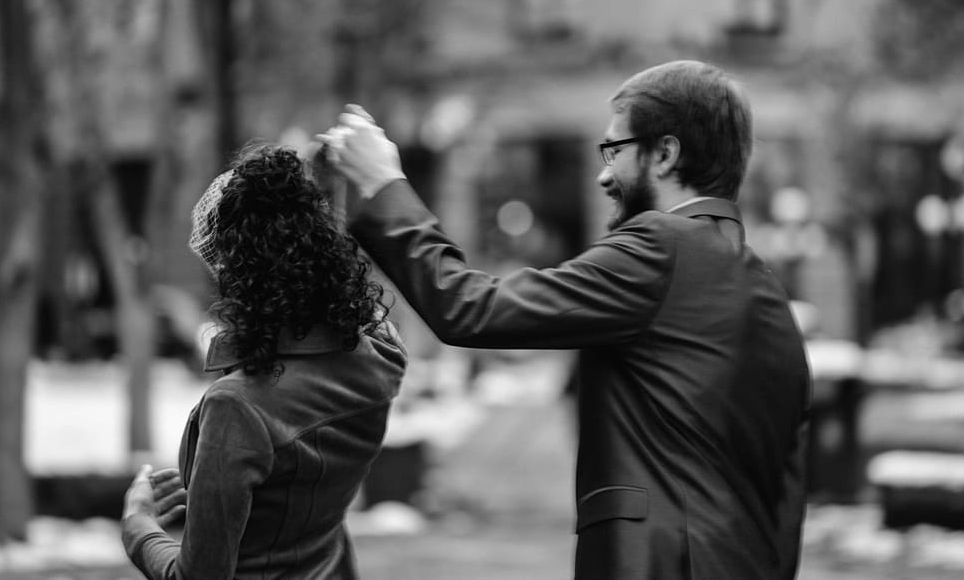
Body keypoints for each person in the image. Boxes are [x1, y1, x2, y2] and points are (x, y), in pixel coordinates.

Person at [318, 60, 811, 579]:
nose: (602, 174)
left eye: (614, 150)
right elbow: (788, 492)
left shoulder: (661, 248)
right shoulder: (767, 292)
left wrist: (384, 186)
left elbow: (469, 308)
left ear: (665, 154)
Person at [121, 143, 406, 579]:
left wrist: (138, 525)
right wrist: (319, 194)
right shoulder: (380, 358)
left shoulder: (238, 407)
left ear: (239, 276)